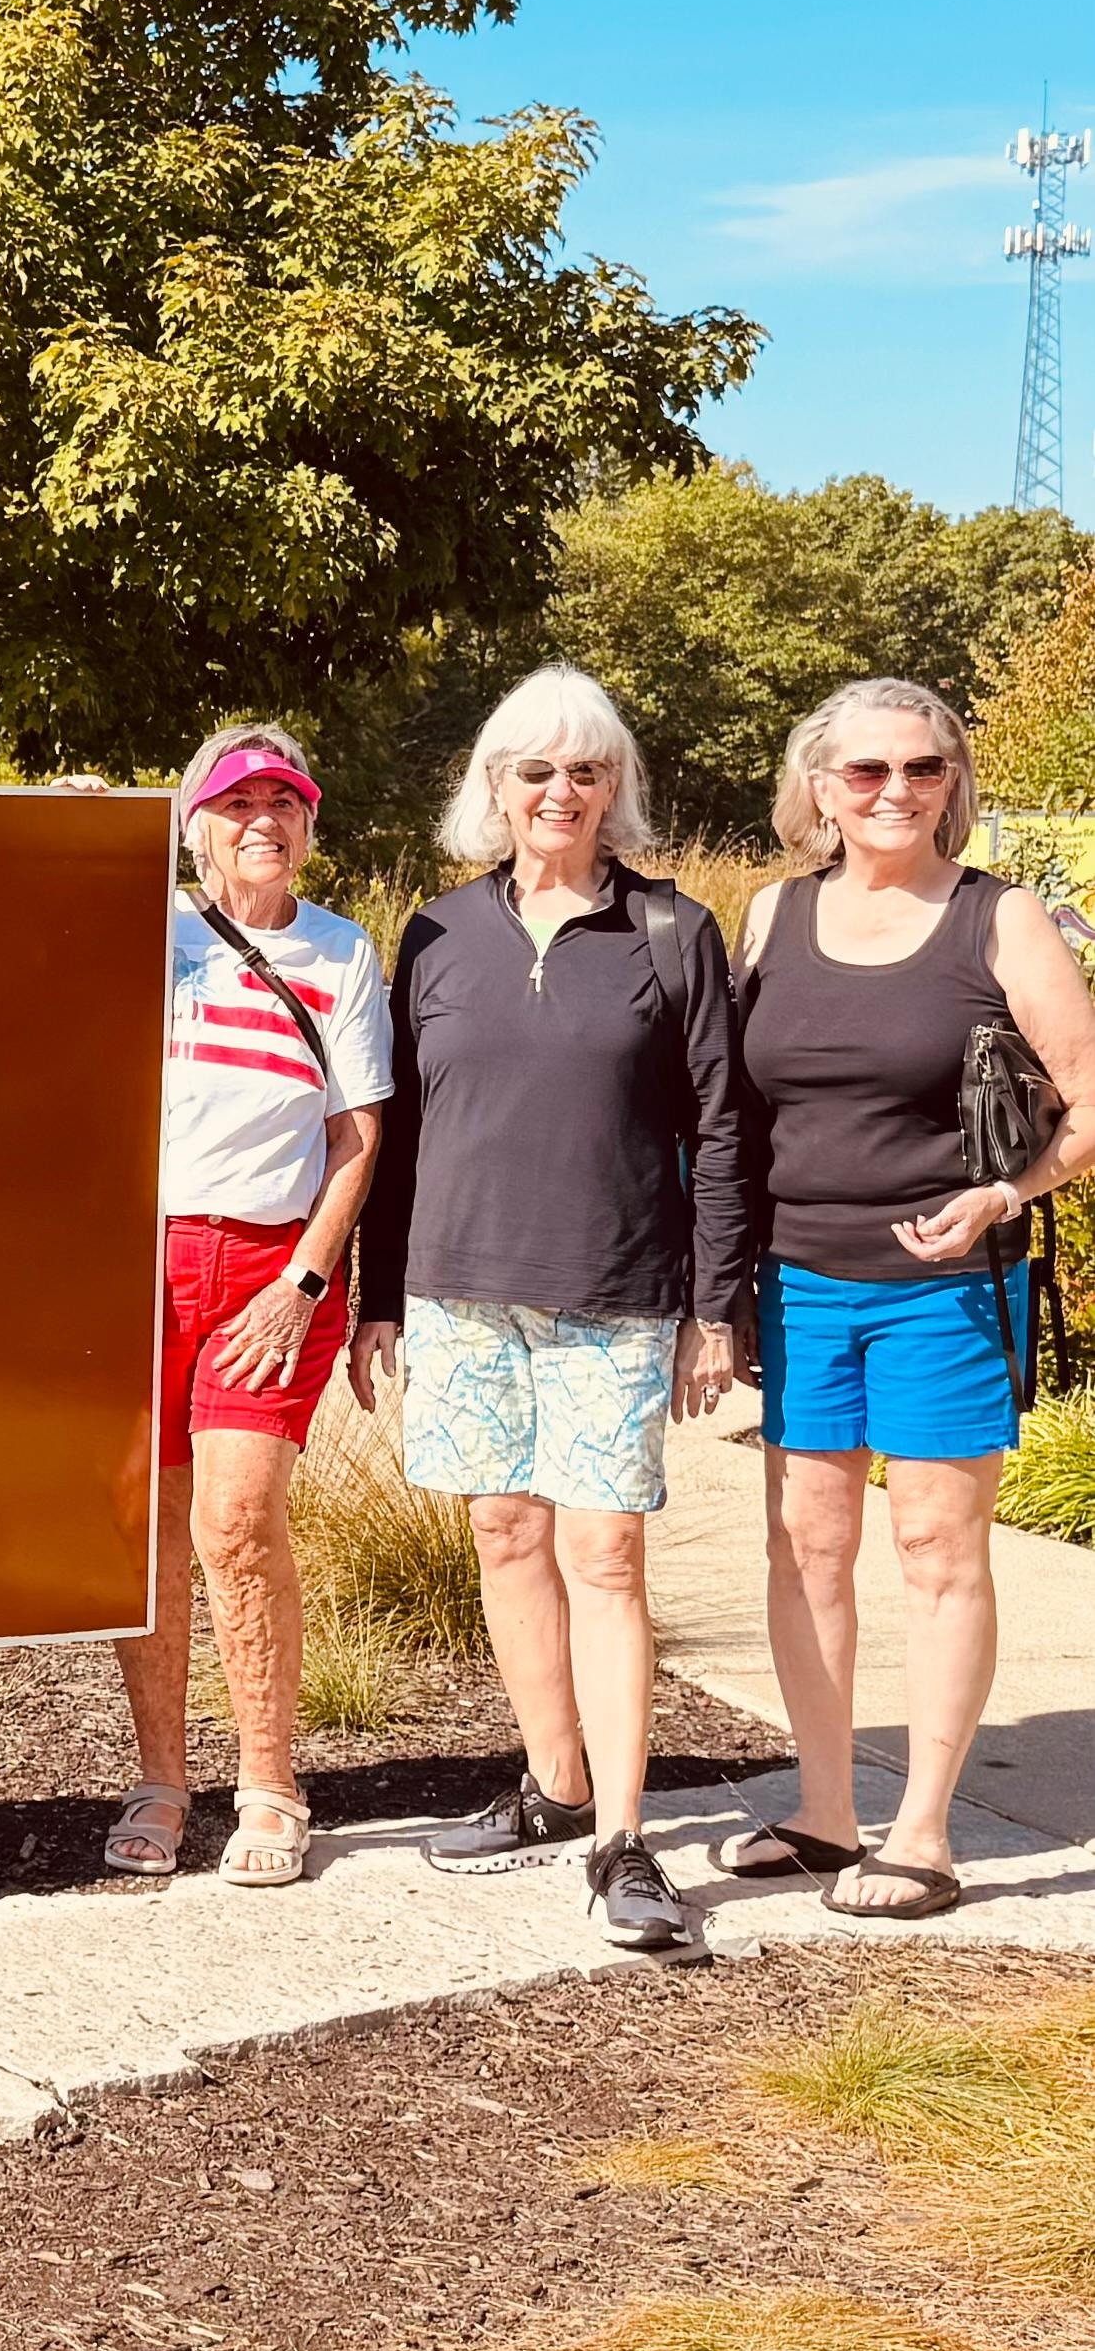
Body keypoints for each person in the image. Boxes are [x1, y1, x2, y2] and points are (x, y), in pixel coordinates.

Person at [351, 666, 746, 1951]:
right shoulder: (434, 934)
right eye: (534, 770)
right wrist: (377, 1297)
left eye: (584, 770)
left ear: (612, 788)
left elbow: (722, 1130)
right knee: (505, 1537)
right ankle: (550, 1783)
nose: (559, 791)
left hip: (612, 1295)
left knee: (604, 1556)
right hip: (459, 1291)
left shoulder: (674, 934)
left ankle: (623, 1843)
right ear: (494, 788)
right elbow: (398, 1135)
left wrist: (713, 1305)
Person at [714, 681, 1095, 1918]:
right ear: (818, 789)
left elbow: (1087, 1102)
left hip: (945, 1287)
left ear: (952, 782)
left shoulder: (1002, 919)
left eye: (922, 768)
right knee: (806, 1548)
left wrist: (1005, 1194)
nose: (895, 791)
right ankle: (827, 1813)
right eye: (866, 771)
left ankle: (922, 1832)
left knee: (936, 1549)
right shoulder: (771, 915)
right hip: (796, 1280)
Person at [106, 726, 388, 1890]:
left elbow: (356, 1131)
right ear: (193, 825)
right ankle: (162, 1779)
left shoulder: (339, 952)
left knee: (233, 1520)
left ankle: (269, 1781)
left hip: (274, 1269)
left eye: (283, 802)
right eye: (234, 803)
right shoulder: (150, 931)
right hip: (136, 1263)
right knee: (149, 1533)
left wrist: (307, 1277)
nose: (260, 820)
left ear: (310, 826)